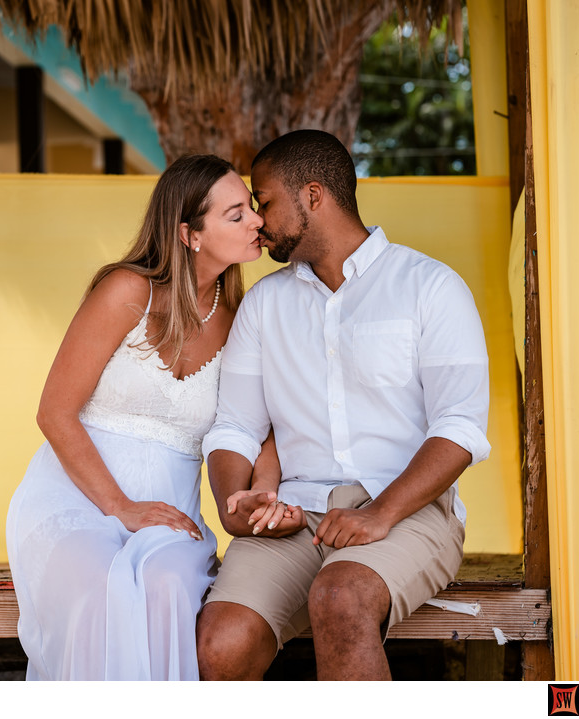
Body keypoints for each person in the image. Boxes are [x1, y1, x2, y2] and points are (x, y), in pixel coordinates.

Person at [196, 130, 490, 680]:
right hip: (293, 517)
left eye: (265, 201)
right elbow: (235, 425)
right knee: (221, 642)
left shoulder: (430, 287)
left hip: (405, 511)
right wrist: (237, 500)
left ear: (312, 196)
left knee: (341, 597)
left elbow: (461, 428)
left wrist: (378, 514)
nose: (258, 219)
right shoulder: (264, 305)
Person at [6, 154, 272, 680]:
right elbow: (54, 411)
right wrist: (119, 507)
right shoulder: (128, 290)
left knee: (167, 585)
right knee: (97, 581)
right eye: (236, 214)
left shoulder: (242, 317)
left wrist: (260, 491)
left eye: (253, 209)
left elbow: (259, 429)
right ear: (189, 234)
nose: (258, 222)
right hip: (78, 499)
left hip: (171, 513)